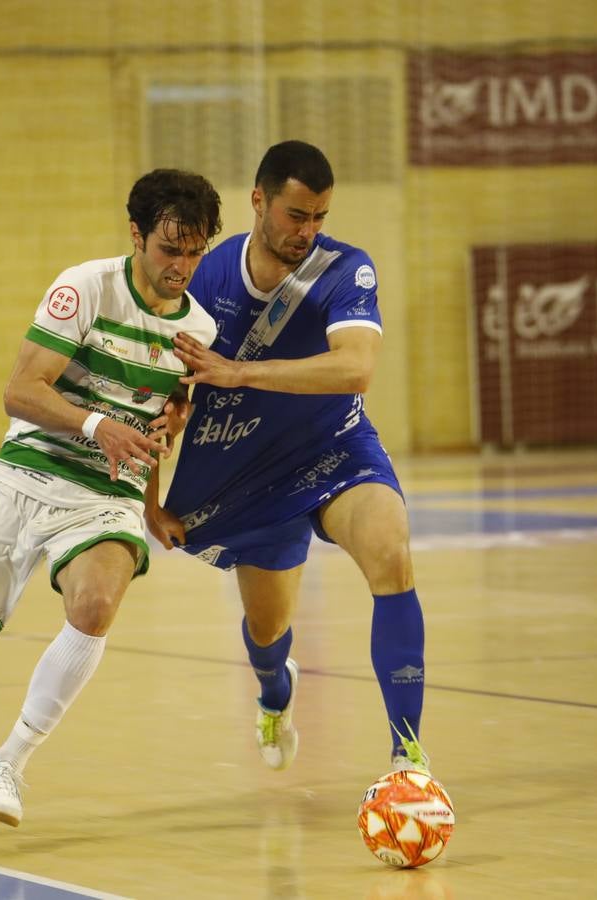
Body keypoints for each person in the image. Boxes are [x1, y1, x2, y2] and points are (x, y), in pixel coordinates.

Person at [0, 169, 221, 835]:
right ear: (136, 235)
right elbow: (20, 390)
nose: (183, 266)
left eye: (195, 251)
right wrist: (94, 424)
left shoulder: (198, 326)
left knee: (96, 606)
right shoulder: (84, 287)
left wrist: (151, 500)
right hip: (27, 472)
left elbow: (159, 421)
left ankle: (8, 764)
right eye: (170, 249)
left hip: (103, 494)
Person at [147, 140, 431, 780]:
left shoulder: (344, 269)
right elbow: (158, 395)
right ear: (259, 201)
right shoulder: (207, 277)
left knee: (392, 551)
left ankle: (406, 756)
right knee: (268, 631)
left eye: (320, 217)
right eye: (296, 215)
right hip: (248, 474)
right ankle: (275, 694)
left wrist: (242, 372)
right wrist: (150, 498)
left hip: (334, 449)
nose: (308, 231)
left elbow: (356, 368)